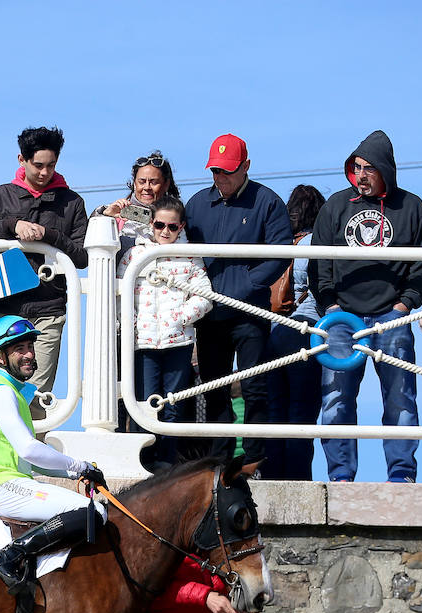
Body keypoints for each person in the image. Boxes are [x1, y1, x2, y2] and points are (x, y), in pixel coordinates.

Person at [312, 129, 422, 483]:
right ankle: (339, 476)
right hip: (341, 318)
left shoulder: (411, 206)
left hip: (390, 317)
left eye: (369, 168)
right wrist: (330, 305)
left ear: (385, 169)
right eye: (356, 167)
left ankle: (401, 474)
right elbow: (317, 260)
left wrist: (405, 304)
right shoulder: (336, 205)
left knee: (400, 399)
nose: (361, 175)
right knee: (336, 400)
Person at [0, 315, 107, 593]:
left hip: (0, 481)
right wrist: (79, 465)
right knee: (92, 511)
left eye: (30, 347)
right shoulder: (1, 391)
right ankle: (11, 555)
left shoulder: (11, 392)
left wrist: (78, 472)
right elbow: (30, 449)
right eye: (19, 350)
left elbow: (31, 459)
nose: (29, 355)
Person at [183, 133, 292, 469]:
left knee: (255, 386)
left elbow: (280, 253)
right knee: (214, 387)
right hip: (209, 313)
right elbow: (181, 249)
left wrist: (246, 284)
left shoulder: (268, 202)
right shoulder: (197, 204)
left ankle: (255, 458)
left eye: (227, 170)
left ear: (246, 166)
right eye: (215, 170)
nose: (220, 177)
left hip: (250, 312)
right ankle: (220, 459)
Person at [0, 127, 89, 420]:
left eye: (51, 164)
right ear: (21, 160)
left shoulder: (72, 203)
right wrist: (12, 225)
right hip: (2, 310)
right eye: (38, 165)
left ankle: (31, 462)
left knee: (35, 398)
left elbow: (82, 257)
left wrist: (48, 235)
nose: (45, 171)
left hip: (48, 311)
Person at [118, 196, 211, 470]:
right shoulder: (134, 255)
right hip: (142, 342)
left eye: (172, 227)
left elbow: (205, 296)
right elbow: (120, 296)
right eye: (160, 225)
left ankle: (166, 464)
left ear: (181, 226)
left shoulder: (190, 255)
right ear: (151, 223)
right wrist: (128, 324)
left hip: (178, 342)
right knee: (143, 405)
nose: (166, 232)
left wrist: (180, 318)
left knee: (173, 406)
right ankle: (141, 462)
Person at [261, 185, 325, 480]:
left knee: (275, 410)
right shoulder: (317, 243)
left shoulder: (280, 243)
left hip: (274, 330)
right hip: (306, 329)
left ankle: (273, 475)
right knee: (302, 411)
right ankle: (298, 478)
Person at [95, 151, 182, 256]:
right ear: (134, 183)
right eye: (142, 181)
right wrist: (105, 217)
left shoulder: (178, 217)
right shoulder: (114, 212)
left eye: (154, 182)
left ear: (166, 184)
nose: (147, 187)